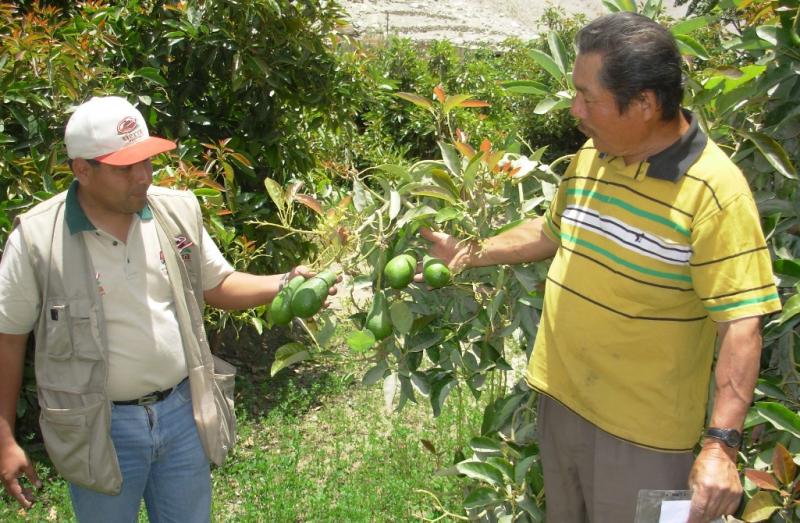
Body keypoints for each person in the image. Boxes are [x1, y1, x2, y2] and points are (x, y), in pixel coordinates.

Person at [420, 12, 781, 523]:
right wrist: (469, 251)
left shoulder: (715, 193)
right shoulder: (594, 154)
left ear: (645, 104)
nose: (575, 109)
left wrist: (720, 447)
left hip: (645, 440)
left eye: (589, 98)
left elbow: (741, 322)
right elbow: (550, 232)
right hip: (563, 403)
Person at [0, 96, 335, 522]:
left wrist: (286, 283)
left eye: (147, 161)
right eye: (126, 167)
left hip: (181, 413)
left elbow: (219, 284)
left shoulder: (174, 211)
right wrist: (5, 437)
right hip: (99, 427)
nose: (143, 176)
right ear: (82, 170)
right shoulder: (37, 240)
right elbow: (8, 339)